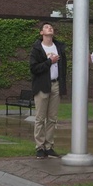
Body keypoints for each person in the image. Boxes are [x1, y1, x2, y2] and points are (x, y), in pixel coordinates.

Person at [29, 22, 67, 159]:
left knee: (52, 118)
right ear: (41, 33)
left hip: (56, 84)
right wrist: (49, 62)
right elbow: (34, 68)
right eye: (46, 27)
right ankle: (39, 147)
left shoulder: (59, 47)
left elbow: (64, 68)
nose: (49, 28)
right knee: (40, 118)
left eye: (51, 27)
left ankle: (49, 145)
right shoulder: (37, 49)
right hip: (42, 86)